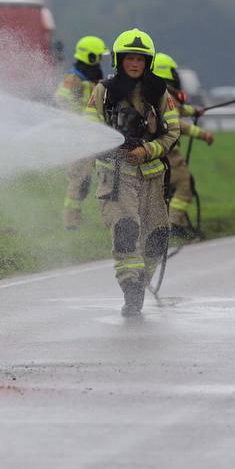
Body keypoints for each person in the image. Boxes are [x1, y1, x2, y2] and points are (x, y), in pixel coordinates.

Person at [84, 29, 181, 317]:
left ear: (147, 62)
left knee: (157, 236)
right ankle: (131, 289)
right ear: (119, 60)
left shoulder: (159, 92)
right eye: (130, 58)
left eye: (140, 59)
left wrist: (147, 150)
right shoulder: (104, 90)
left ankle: (142, 280)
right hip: (116, 174)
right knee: (126, 230)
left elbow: (173, 131)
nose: (135, 64)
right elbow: (90, 128)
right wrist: (114, 145)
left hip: (151, 175)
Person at [152, 52, 213, 237]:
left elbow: (177, 110)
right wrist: (202, 134)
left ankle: (173, 225)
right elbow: (176, 123)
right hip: (168, 151)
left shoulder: (158, 93)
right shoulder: (164, 94)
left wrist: (195, 111)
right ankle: (171, 226)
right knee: (184, 186)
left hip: (159, 150)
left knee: (166, 191)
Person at [55, 35, 107, 230]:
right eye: (98, 57)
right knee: (79, 179)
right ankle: (71, 221)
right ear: (90, 57)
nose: (101, 61)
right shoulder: (74, 77)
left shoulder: (91, 77)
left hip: (93, 137)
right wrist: (76, 119)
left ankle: (104, 216)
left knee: (93, 179)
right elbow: (61, 98)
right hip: (78, 139)